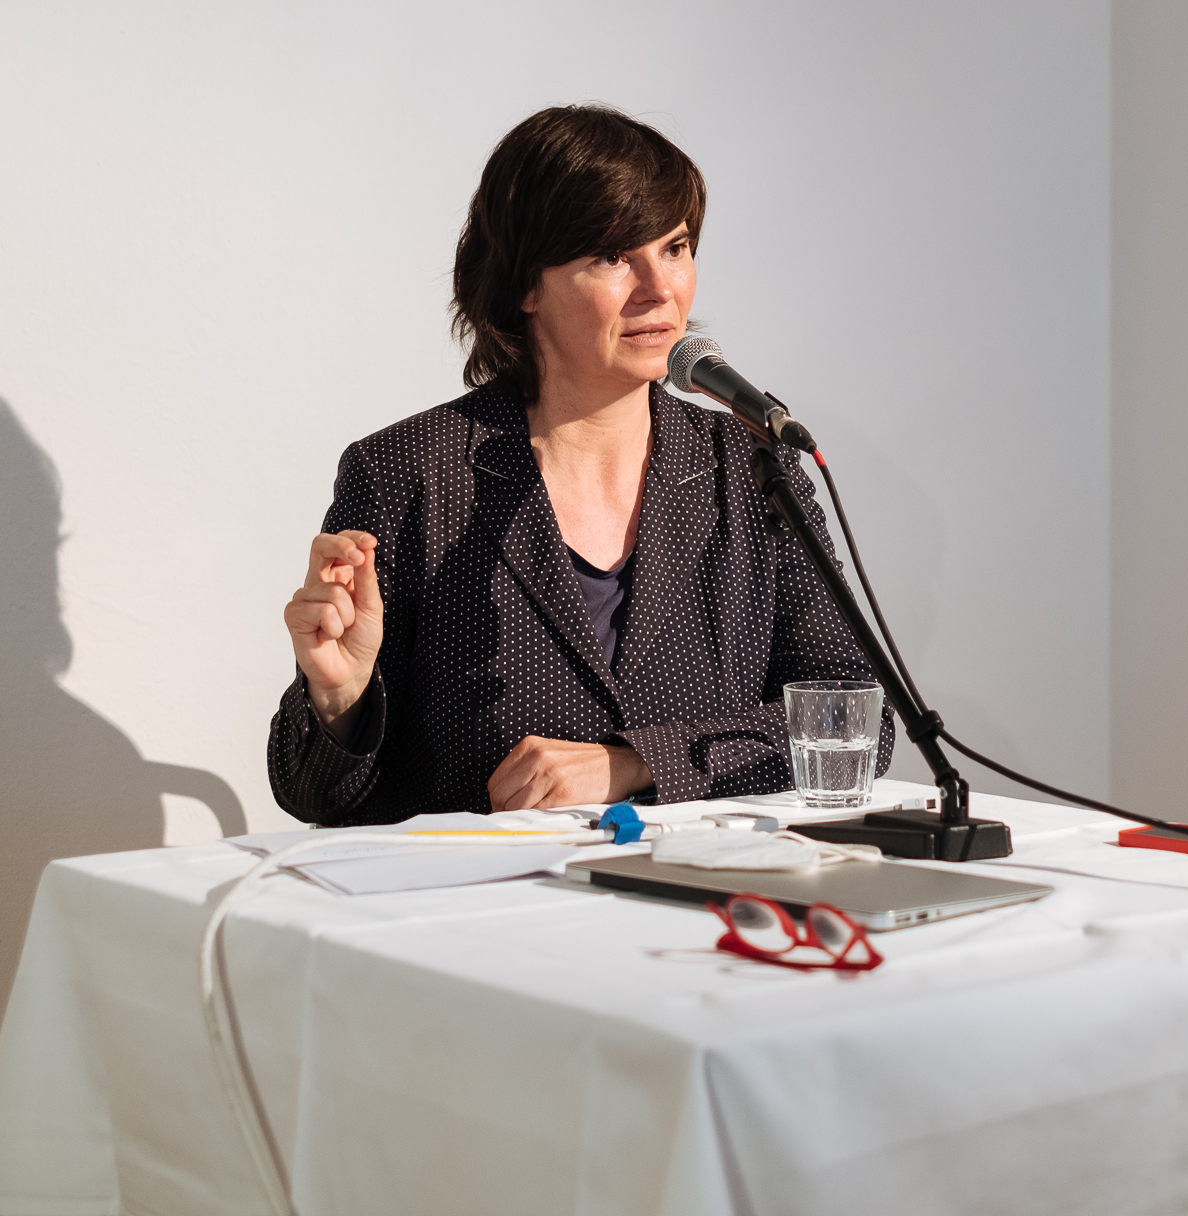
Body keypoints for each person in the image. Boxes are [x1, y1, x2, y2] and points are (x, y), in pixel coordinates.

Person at [269, 104, 894, 821]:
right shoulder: (407, 473)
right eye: (612, 256)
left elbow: (852, 721)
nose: (660, 288)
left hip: (696, 885)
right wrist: (339, 699)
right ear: (524, 287)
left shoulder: (748, 468)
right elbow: (313, 797)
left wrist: (634, 765)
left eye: (675, 247)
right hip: (489, 888)